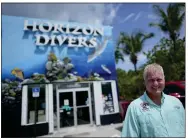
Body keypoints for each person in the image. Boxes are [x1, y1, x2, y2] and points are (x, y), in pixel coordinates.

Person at [121, 63, 185, 137]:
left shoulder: (176, 103)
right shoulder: (134, 108)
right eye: (151, 80)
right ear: (145, 82)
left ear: (164, 79)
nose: (155, 83)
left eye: (159, 79)